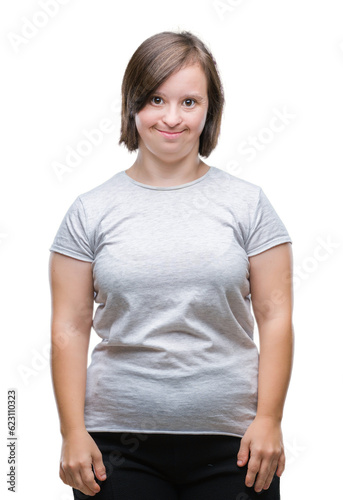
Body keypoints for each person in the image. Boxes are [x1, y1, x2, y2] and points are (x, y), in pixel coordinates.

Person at [48, 30, 294, 500]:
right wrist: (71, 431)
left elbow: (276, 317)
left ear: (209, 110)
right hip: (115, 448)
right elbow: (70, 326)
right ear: (133, 104)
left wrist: (269, 419)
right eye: (156, 98)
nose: (171, 118)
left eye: (189, 102)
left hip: (235, 446)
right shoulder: (89, 210)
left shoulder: (249, 205)